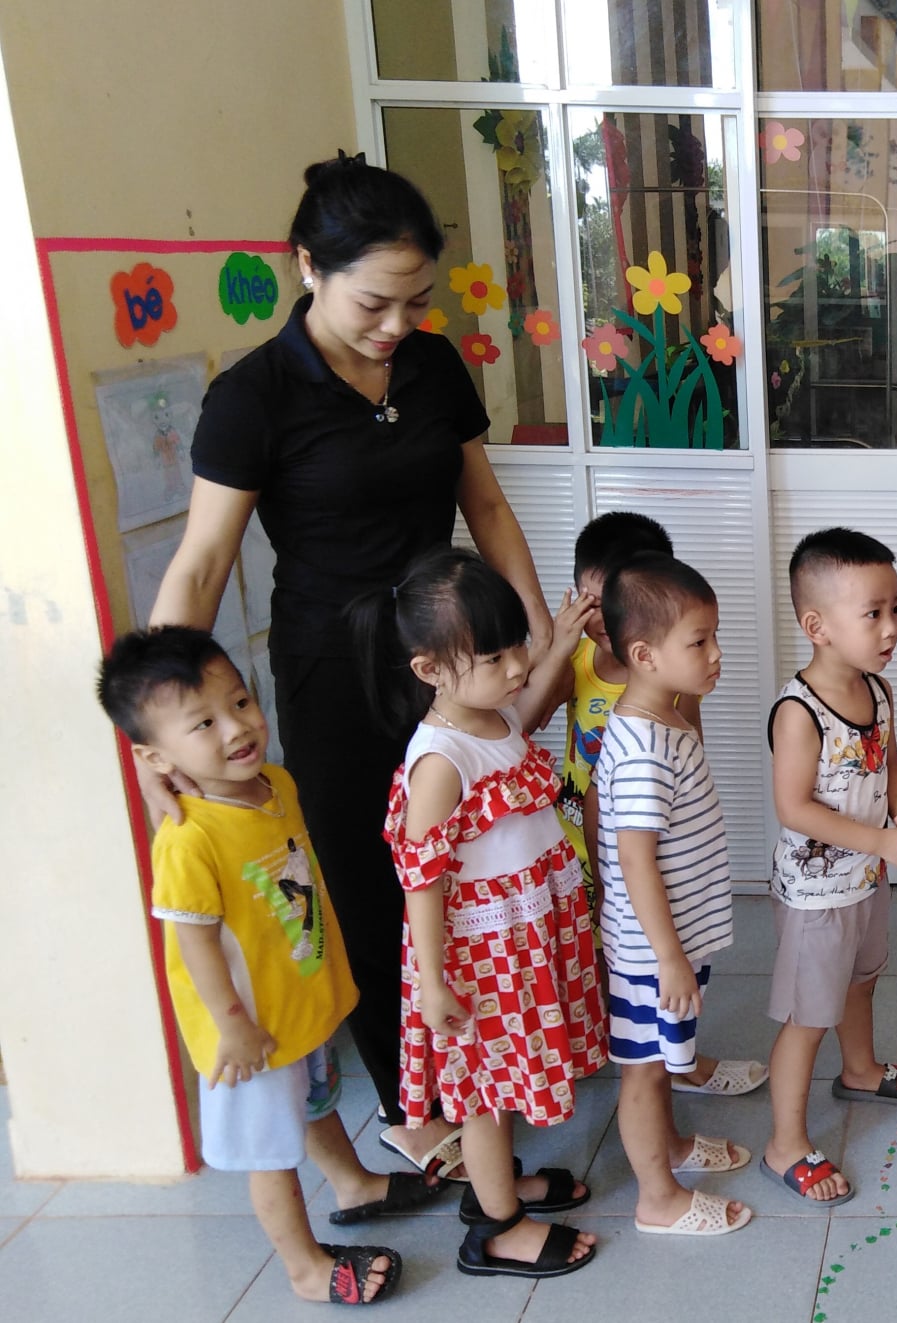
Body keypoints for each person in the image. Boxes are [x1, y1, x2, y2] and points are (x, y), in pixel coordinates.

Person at [148, 153, 552, 1183]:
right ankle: (413, 1105)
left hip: (450, 655)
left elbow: (485, 504)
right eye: (375, 303)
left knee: (477, 859)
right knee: (373, 886)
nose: (397, 324)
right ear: (307, 268)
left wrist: (531, 632)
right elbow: (201, 564)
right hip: (336, 670)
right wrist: (159, 728)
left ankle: (485, 1065)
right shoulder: (254, 396)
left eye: (417, 302)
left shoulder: (431, 365)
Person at [97, 627, 412, 1305]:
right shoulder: (189, 839)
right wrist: (233, 1024)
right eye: (203, 723)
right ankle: (304, 1267)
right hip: (249, 1034)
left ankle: (354, 1183)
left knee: (317, 1102)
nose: (238, 727)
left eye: (239, 702)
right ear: (154, 756)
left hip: (294, 1001)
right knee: (272, 1152)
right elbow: (193, 944)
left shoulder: (276, 784)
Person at [353, 549, 606, 1278]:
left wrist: (557, 645)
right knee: (487, 1094)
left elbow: (521, 713)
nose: (516, 665)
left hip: (523, 935)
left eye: (516, 645)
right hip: (480, 958)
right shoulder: (439, 760)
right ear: (430, 669)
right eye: (494, 657)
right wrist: (433, 983)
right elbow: (421, 882)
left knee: (509, 1079)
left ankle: (502, 1190)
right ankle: (499, 1229)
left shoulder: (491, 718)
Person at [528, 510, 767, 1098]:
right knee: (621, 976)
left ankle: (667, 1062)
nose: (602, 619)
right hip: (586, 841)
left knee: (649, 987)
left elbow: (691, 754)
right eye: (592, 603)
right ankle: (638, 1070)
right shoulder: (590, 676)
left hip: (645, 850)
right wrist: (556, 648)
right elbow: (525, 724)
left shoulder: (671, 689)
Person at [760, 528, 897, 1206]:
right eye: (873, 613)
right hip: (815, 896)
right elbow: (794, 807)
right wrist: (878, 840)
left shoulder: (877, 690)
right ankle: (785, 1143)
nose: (891, 627)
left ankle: (859, 1069)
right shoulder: (799, 711)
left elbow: (888, 766)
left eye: (895, 608)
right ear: (818, 626)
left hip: (866, 879)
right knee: (808, 1016)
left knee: (862, 981)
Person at [591, 553, 753, 1236]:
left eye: (715, 636)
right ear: (644, 655)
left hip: (671, 943)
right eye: (699, 641)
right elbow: (634, 861)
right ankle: (657, 1197)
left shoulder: (666, 716)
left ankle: (676, 1147)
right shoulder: (643, 749)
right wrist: (667, 957)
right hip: (650, 953)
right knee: (644, 1071)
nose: (716, 654)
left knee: (660, 1061)